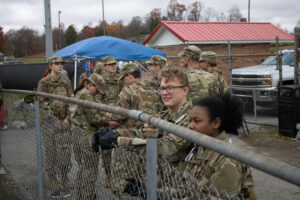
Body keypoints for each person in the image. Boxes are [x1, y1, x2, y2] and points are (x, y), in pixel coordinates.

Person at [178, 93, 255, 199]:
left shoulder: (228, 161)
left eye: (197, 121)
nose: (190, 126)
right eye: (190, 121)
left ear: (216, 123)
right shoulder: (200, 147)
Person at [36, 56, 73, 197]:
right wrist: (53, 119)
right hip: (50, 124)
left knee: (65, 151)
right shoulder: (44, 82)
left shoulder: (65, 81)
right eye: (57, 64)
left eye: (61, 64)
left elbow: (71, 100)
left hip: (64, 123)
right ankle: (52, 178)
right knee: (51, 151)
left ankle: (64, 177)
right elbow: (42, 103)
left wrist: (68, 118)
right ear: (51, 65)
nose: (60, 66)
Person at [69, 73, 107, 200]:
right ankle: (87, 196)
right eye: (97, 90)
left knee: (83, 168)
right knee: (90, 170)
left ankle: (81, 194)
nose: (97, 93)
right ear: (91, 85)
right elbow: (93, 119)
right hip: (87, 136)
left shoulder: (80, 93)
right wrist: (107, 121)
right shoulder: (87, 95)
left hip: (77, 134)